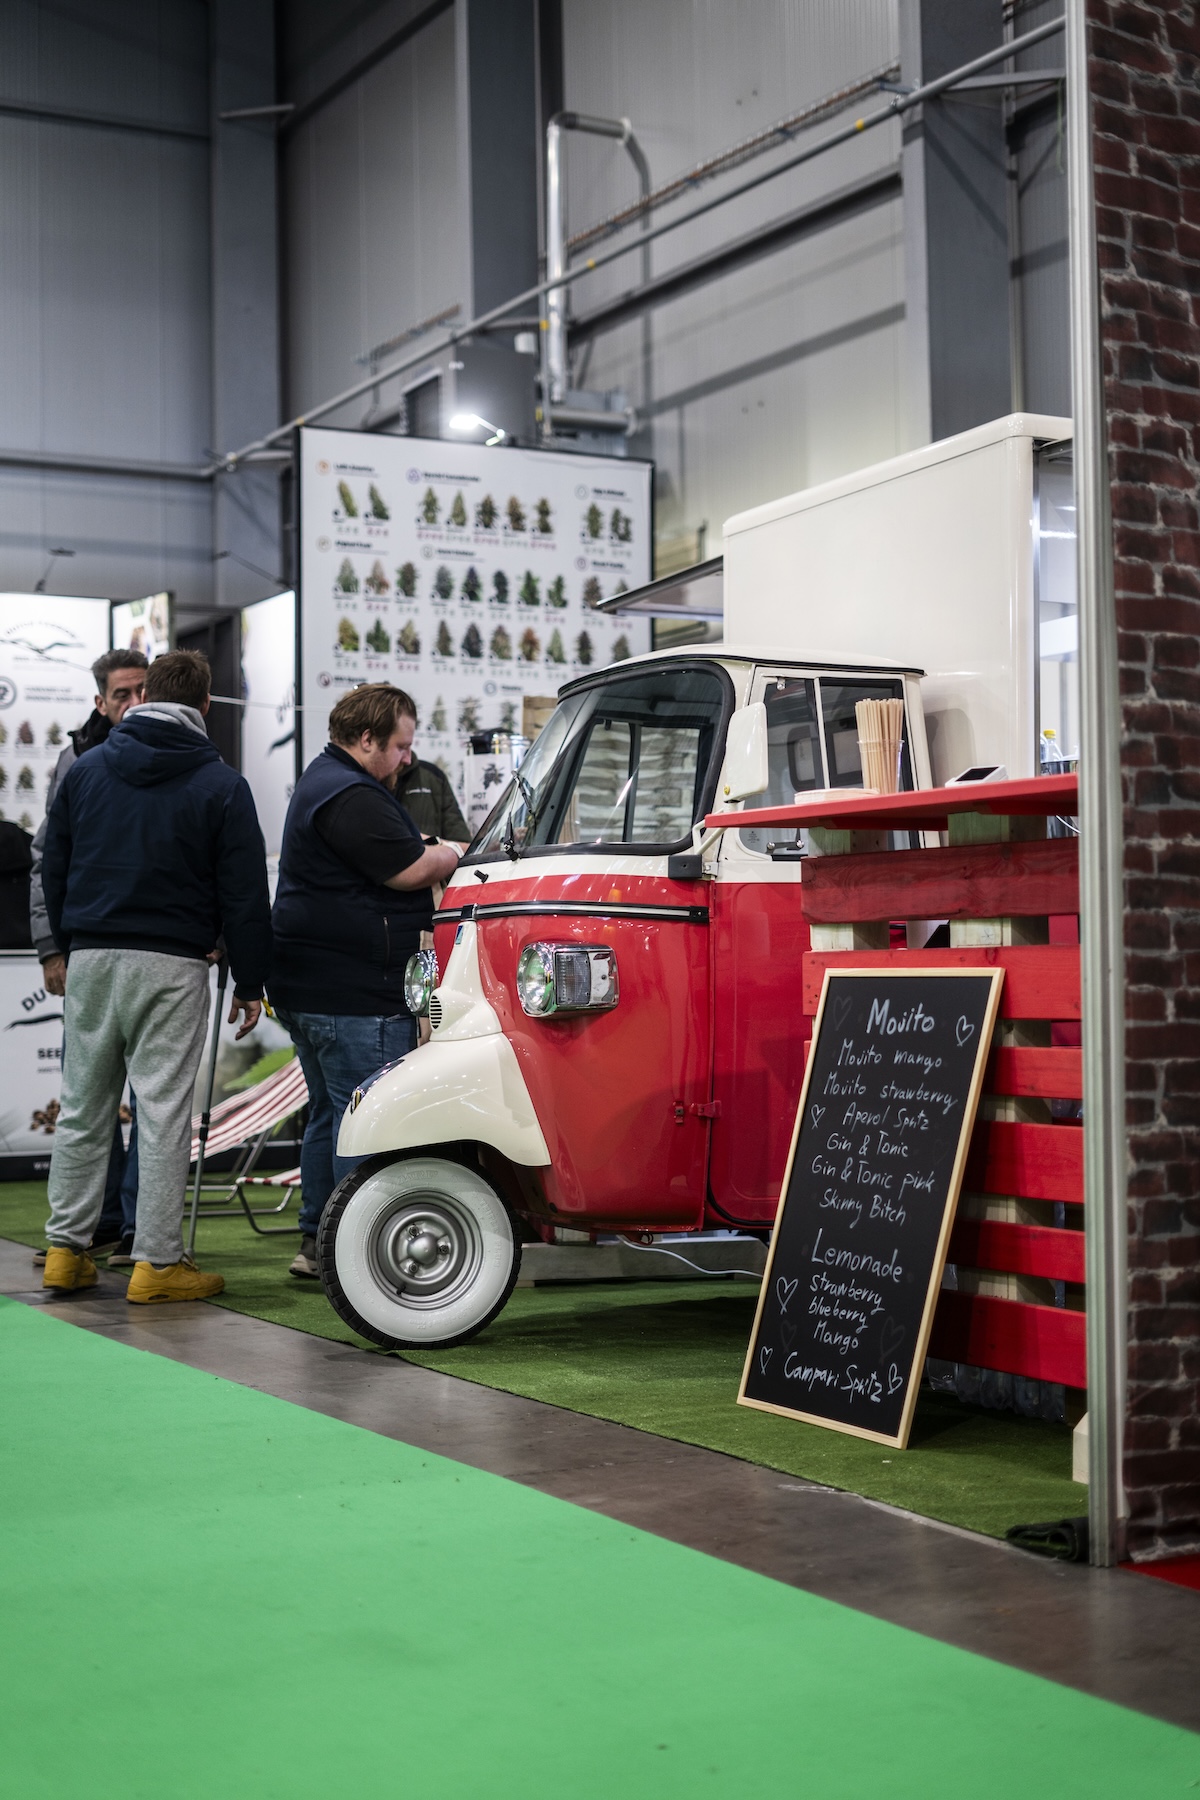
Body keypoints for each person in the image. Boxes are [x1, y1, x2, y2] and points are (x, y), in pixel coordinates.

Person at [40, 649, 272, 1301]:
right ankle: (158, 1264)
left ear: (144, 698)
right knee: (163, 1112)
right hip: (173, 962)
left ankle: (64, 1252)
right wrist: (251, 981)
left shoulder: (86, 770)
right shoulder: (222, 784)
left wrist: (69, 942)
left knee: (83, 1107)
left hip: (92, 954)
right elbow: (245, 893)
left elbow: (53, 864)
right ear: (205, 705)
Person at [269, 683, 461, 1277]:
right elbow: (407, 870)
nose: (408, 757)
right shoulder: (350, 793)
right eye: (400, 746)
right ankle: (360, 1259)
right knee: (369, 1122)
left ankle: (319, 1244)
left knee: (331, 1116)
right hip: (353, 993)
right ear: (368, 738)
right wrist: (452, 852)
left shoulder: (328, 781)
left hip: (316, 986)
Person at [29, 649, 148, 1264]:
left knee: (152, 1103)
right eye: (122, 694)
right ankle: (99, 1221)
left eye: (144, 690)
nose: (135, 703)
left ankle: (138, 1231)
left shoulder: (184, 753)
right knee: (88, 1097)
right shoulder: (75, 759)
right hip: (89, 949)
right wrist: (51, 947)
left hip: (159, 948)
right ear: (100, 701)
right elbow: (48, 858)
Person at [387, 703, 471, 846]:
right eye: (401, 747)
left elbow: (462, 844)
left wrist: (432, 845)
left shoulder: (433, 777)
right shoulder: (361, 783)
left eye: (408, 746)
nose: (407, 758)